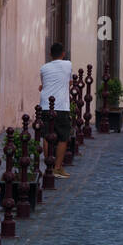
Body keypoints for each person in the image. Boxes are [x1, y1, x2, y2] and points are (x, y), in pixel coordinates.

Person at [37, 41, 74, 179]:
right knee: (63, 137)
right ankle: (57, 168)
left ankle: (49, 166)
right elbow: (70, 82)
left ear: (50, 54)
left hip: (45, 105)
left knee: (46, 136)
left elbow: (44, 84)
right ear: (63, 54)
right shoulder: (68, 64)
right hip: (61, 106)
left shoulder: (43, 68)